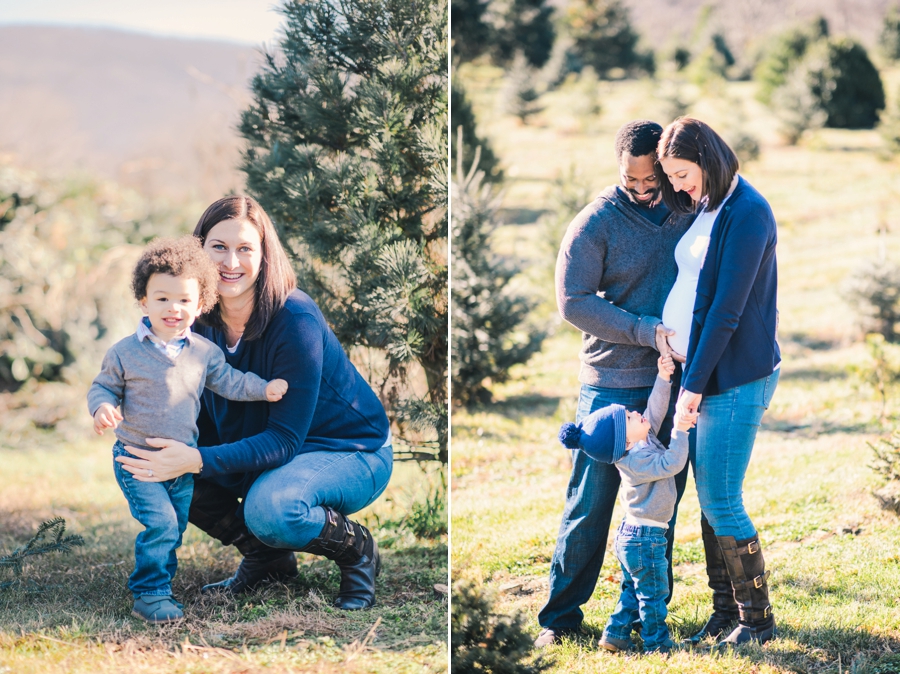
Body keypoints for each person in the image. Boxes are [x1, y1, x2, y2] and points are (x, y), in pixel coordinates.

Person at [113, 196, 393, 611]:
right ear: (199, 251)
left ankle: (357, 549)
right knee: (155, 453)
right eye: (218, 247)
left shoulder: (294, 319)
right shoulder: (192, 322)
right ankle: (267, 557)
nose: (231, 262)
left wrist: (195, 460)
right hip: (269, 453)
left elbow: (283, 440)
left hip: (348, 452)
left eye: (245, 248)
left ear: (264, 256)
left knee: (273, 508)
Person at [536, 120, 694, 648]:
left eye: (653, 181)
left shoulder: (686, 206)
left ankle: (643, 617)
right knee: (591, 502)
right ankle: (559, 620)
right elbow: (573, 302)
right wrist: (645, 331)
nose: (644, 191)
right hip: (610, 383)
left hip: (669, 381)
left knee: (659, 502)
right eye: (633, 181)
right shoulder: (595, 223)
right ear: (619, 167)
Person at [88, 236, 288, 623]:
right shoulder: (124, 352)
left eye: (183, 300)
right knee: (160, 522)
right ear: (143, 301)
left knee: (174, 526)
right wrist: (103, 407)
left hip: (179, 465)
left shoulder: (203, 353)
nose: (173, 308)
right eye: (161, 298)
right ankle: (150, 594)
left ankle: (159, 582)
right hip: (137, 459)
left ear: (200, 305)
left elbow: (230, 382)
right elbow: (103, 386)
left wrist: (263, 388)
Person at [656, 117, 780, 647]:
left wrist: (692, 385)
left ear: (707, 158)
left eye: (683, 173)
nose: (679, 187)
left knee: (722, 498)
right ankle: (724, 614)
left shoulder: (748, 213)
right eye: (672, 177)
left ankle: (758, 621)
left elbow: (726, 312)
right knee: (710, 498)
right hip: (701, 370)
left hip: (734, 375)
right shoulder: (710, 204)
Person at [558, 354, 694, 654]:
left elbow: (655, 412)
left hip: (634, 535)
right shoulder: (638, 460)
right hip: (646, 538)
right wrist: (681, 430)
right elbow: (673, 462)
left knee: (635, 590)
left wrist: (663, 378)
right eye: (631, 418)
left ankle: (616, 633)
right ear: (625, 441)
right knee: (654, 593)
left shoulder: (638, 443)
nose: (637, 413)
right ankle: (658, 642)